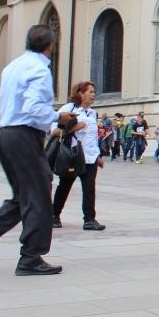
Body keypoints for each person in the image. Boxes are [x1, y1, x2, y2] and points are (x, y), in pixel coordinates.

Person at [0, 24, 75, 276]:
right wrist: (59, 117)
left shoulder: (13, 66)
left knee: (24, 195)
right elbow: (34, 108)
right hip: (25, 135)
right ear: (50, 46)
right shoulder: (40, 69)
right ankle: (31, 257)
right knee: (40, 195)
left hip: (8, 133)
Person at [52, 81, 106, 231]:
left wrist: (98, 155)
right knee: (65, 186)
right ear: (80, 93)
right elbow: (54, 132)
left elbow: (92, 137)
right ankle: (54, 215)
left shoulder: (93, 113)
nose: (93, 95)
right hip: (73, 155)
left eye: (94, 92)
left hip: (90, 157)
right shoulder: (69, 109)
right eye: (91, 92)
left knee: (89, 188)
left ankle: (89, 219)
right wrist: (73, 128)